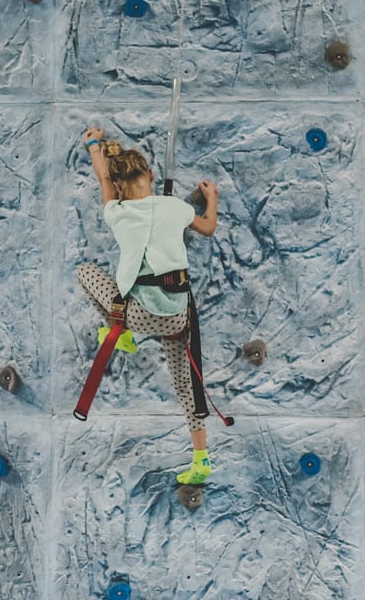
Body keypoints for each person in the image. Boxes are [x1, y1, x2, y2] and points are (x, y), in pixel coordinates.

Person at [77, 126, 219, 485]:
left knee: (85, 272)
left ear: (120, 188)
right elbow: (208, 228)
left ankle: (121, 334)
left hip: (136, 315)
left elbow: (103, 181)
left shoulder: (117, 213)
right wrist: (211, 196)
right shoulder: (176, 207)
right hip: (177, 316)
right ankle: (201, 459)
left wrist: (94, 145)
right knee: (186, 387)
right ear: (152, 176)